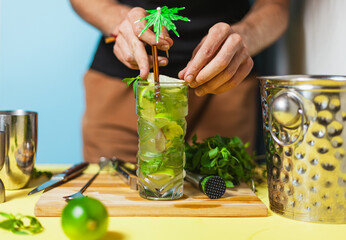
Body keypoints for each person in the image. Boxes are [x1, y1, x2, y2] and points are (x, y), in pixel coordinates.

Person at [69, 0, 290, 163]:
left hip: (224, 84)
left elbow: (276, 6)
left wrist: (245, 36)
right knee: (118, 196)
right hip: (126, 89)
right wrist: (120, 21)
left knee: (221, 201)